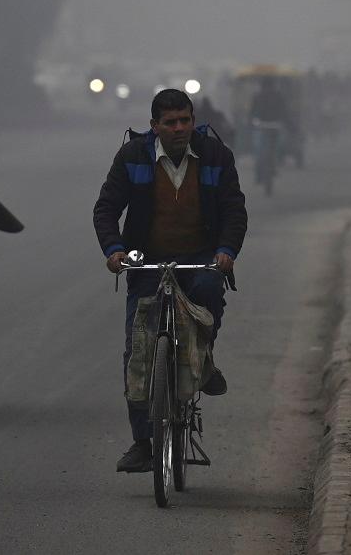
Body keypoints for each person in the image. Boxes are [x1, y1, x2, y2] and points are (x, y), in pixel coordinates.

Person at [93, 88, 248, 474]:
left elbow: (234, 210)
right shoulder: (132, 157)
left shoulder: (215, 155)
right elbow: (107, 208)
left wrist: (226, 251)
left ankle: (205, 361)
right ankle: (144, 443)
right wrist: (114, 251)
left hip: (200, 258)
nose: (179, 128)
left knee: (210, 294)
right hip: (147, 259)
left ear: (193, 120)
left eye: (185, 120)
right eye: (170, 122)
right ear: (154, 126)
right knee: (139, 352)